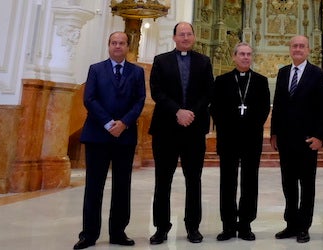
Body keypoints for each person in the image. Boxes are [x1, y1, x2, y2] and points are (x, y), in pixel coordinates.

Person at [74, 31, 146, 250]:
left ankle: (118, 232)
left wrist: (123, 123)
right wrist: (108, 123)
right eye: (114, 43)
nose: (117, 46)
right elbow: (89, 98)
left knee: (122, 186)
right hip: (98, 135)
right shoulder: (96, 69)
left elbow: (139, 100)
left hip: (125, 136)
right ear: (108, 45)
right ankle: (89, 234)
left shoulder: (137, 72)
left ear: (127, 47)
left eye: (122, 43)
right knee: (94, 186)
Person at [148, 22, 213, 245]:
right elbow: (157, 92)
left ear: (194, 37)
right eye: (181, 34)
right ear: (174, 37)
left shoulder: (204, 62)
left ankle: (193, 227)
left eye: (189, 34)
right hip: (166, 128)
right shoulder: (161, 60)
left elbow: (208, 92)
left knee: (193, 180)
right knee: (163, 180)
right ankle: (161, 228)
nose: (185, 37)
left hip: (193, 129)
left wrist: (190, 113)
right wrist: (177, 111)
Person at [210, 42, 270, 242]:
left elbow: (263, 110)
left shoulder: (261, 81)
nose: (245, 57)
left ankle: (245, 225)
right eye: (242, 54)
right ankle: (228, 226)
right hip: (228, 139)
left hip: (251, 139)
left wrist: (247, 126)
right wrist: (232, 127)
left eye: (249, 54)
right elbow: (215, 110)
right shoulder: (222, 80)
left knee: (249, 182)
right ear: (234, 57)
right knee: (227, 182)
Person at [270, 35, 323, 243]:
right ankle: (291, 224)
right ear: (290, 49)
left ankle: (304, 226)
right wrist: (274, 133)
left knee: (307, 185)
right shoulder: (283, 72)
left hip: (307, 140)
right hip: (285, 140)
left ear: (308, 50)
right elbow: (277, 104)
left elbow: (322, 108)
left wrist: (320, 136)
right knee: (289, 184)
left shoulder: (318, 74)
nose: (298, 49)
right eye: (294, 46)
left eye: (302, 46)